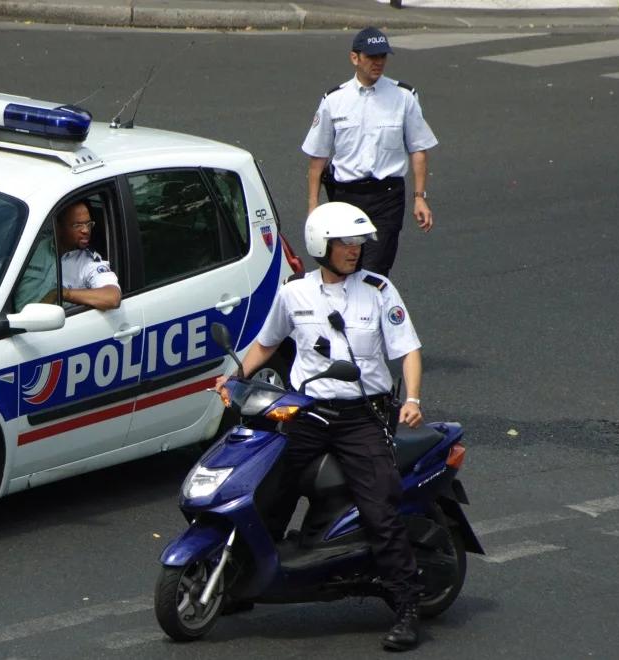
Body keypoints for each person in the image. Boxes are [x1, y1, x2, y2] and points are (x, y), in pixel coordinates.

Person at [218, 201, 427, 651]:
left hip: (362, 415)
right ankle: (248, 580)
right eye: (346, 243)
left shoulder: (378, 290)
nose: (355, 251)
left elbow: (407, 349)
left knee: (379, 509)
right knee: (269, 490)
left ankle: (408, 604)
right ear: (322, 246)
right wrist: (233, 377)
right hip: (307, 411)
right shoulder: (295, 293)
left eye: (358, 243)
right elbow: (266, 343)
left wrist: (411, 399)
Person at [301, 26, 438, 277]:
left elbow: (419, 148)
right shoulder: (334, 100)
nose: (378, 63)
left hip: (386, 198)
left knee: (373, 273)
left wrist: (420, 196)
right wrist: (313, 205)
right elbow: (317, 157)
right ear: (355, 58)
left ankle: (371, 316)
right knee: (343, 270)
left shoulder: (404, 96)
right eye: (372, 57)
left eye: (382, 57)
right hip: (345, 197)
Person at [55, 201, 121, 310]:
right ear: (59, 228)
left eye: (89, 224)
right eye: (78, 225)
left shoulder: (90, 263)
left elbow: (112, 297)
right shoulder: (38, 247)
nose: (86, 230)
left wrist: (62, 294)